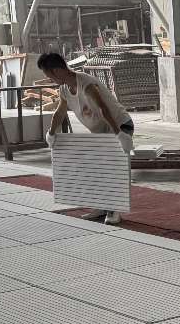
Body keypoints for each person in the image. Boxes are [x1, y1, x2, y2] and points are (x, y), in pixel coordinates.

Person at [40, 52, 134, 225]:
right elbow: (60, 112)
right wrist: (51, 133)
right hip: (100, 132)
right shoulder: (64, 89)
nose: (50, 80)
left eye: (50, 76)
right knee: (96, 168)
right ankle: (101, 206)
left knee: (113, 169)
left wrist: (119, 134)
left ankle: (115, 210)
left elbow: (103, 108)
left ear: (57, 70)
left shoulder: (86, 84)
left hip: (119, 125)